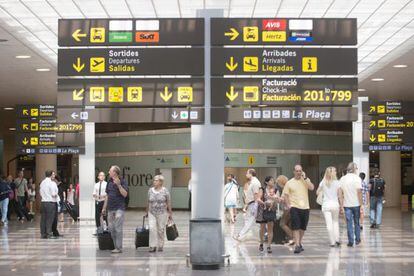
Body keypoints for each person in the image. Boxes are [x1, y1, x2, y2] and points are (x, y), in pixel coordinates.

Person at [282, 165, 315, 254]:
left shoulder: (305, 181)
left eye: (300, 171)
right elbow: (286, 195)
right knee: (296, 226)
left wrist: (306, 178)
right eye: (297, 171)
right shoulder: (289, 182)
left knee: (303, 228)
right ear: (294, 172)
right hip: (294, 207)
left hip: (305, 207)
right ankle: (297, 245)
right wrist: (289, 205)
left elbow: (312, 188)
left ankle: (299, 242)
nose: (298, 172)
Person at [102, 165, 128, 254]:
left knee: (118, 228)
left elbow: (125, 194)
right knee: (111, 228)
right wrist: (104, 208)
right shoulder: (109, 182)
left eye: (110, 171)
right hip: (110, 208)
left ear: (115, 173)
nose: (108, 172)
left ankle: (119, 248)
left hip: (119, 208)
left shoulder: (123, 181)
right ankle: (116, 246)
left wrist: (119, 185)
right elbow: (107, 196)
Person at [146, 175, 173, 252]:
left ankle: (160, 245)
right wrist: (146, 212)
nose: (154, 182)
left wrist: (170, 213)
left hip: (162, 213)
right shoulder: (150, 190)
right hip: (152, 212)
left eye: (156, 180)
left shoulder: (165, 191)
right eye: (154, 180)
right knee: (152, 228)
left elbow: (168, 202)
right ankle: (152, 246)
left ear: (161, 182)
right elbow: (148, 201)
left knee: (160, 229)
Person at [233, 168, 261, 241]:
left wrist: (255, 205)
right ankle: (265, 234)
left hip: (253, 204)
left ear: (251, 174)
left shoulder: (255, 182)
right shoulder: (252, 182)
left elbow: (256, 194)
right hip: (251, 204)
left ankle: (240, 235)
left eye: (247, 173)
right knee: (251, 220)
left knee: (250, 221)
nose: (246, 175)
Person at [338, 162, 362, 247]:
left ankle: (350, 241)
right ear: (354, 169)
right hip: (356, 204)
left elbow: (340, 193)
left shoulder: (342, 179)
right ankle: (358, 239)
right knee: (357, 222)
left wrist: (341, 205)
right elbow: (359, 192)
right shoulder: (357, 178)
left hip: (346, 205)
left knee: (349, 223)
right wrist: (361, 204)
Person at [317, 167, 341, 247]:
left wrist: (323, 192)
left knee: (329, 224)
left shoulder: (323, 182)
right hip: (335, 204)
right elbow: (340, 195)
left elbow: (317, 192)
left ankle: (332, 242)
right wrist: (341, 205)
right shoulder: (337, 182)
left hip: (326, 205)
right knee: (335, 222)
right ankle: (337, 239)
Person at [256, 176, 278, 253]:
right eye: (271, 180)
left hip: (271, 210)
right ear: (266, 182)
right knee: (262, 228)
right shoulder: (262, 189)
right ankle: (261, 243)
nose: (273, 182)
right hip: (262, 210)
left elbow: (278, 199)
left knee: (270, 228)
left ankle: (269, 246)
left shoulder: (276, 190)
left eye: (273, 180)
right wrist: (264, 203)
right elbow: (258, 199)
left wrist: (274, 200)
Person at [40, 170, 58, 239]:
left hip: (43, 202)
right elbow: (53, 194)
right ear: (50, 175)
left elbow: (40, 192)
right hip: (50, 202)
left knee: (43, 219)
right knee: (49, 219)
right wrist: (56, 195)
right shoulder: (52, 183)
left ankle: (43, 234)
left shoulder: (42, 182)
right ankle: (49, 234)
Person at [276, 175, 293, 245]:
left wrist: (277, 198)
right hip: (293, 207)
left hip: (288, 208)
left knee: (282, 223)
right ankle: (290, 238)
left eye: (278, 183)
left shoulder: (286, 187)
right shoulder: (291, 185)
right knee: (289, 224)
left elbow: (284, 199)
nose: (278, 185)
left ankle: (293, 237)